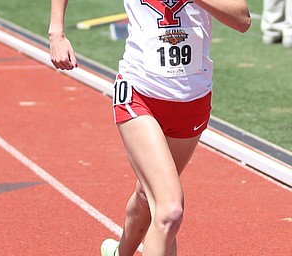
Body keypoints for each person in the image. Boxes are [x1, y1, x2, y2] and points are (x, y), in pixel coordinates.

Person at [48, 0, 251, 255]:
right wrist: (57, 32)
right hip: (139, 93)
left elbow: (242, 20)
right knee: (169, 211)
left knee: (148, 196)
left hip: (193, 100)